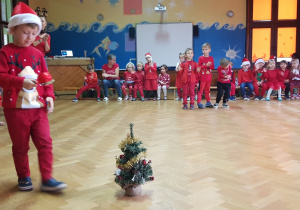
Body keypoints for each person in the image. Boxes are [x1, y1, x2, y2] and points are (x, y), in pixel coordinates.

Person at [0, 2, 66, 191]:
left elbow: (46, 79)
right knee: (20, 146)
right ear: (13, 30)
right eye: (26, 32)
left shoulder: (38, 54)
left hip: (38, 108)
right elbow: (2, 78)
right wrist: (20, 83)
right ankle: (24, 177)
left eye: (34, 33)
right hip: (15, 109)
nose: (30, 37)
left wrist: (49, 96)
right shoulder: (5, 52)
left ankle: (47, 178)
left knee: (45, 143)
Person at [197, 43, 214, 109]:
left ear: (209, 50)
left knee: (207, 90)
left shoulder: (211, 58)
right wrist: (206, 65)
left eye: (206, 49)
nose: (204, 51)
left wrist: (209, 66)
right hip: (202, 77)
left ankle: (208, 102)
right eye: (203, 49)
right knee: (200, 90)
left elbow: (212, 67)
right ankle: (199, 102)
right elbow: (199, 67)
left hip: (208, 77)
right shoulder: (200, 58)